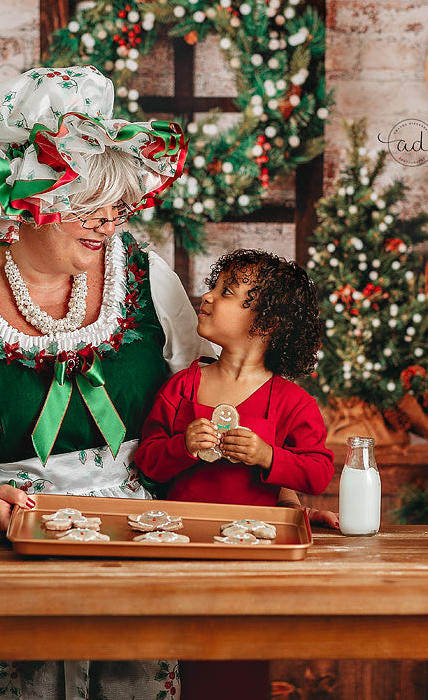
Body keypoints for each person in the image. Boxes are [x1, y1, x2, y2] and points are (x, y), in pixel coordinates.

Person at [0, 65, 206, 700]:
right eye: (82, 201)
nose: (107, 220)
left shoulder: (145, 276)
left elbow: (199, 407)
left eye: (116, 200)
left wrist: (270, 477)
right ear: (22, 203)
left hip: (134, 556)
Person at [133, 249, 336, 700]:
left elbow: (319, 472)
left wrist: (268, 457)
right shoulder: (184, 384)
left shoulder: (291, 402)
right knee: (171, 661)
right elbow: (147, 459)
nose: (206, 298)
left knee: (235, 667)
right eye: (215, 286)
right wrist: (182, 446)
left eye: (226, 293)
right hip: (177, 552)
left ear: (264, 323)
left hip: (251, 561)